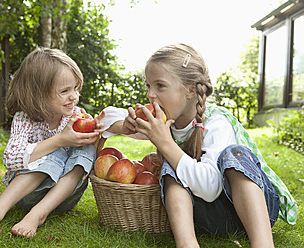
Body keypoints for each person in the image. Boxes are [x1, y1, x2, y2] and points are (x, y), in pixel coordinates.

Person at [101, 43, 297, 248]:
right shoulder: (164, 123)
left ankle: (264, 245)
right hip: (213, 220)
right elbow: (106, 117)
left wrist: (166, 144)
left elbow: (210, 187)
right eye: (148, 86)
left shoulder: (216, 123)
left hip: (257, 211)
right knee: (171, 165)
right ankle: (187, 244)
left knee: (234, 154)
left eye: (160, 85)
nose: (150, 94)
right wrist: (125, 126)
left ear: (191, 90)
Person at [0, 47, 105, 237]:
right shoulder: (25, 118)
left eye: (75, 88)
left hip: (61, 198)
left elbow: (93, 153)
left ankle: (37, 215)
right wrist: (59, 140)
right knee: (55, 150)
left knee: (86, 148)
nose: (73, 96)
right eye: (65, 91)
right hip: (26, 194)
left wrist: (94, 137)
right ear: (38, 93)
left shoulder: (75, 116)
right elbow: (11, 158)